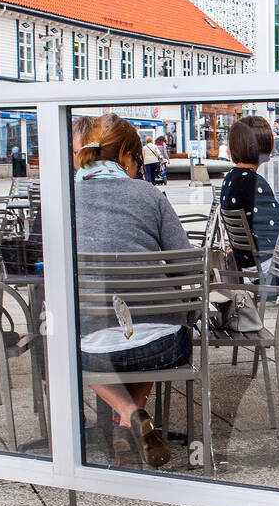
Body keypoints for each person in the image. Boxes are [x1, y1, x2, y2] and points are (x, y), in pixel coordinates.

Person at [74, 113, 193, 470]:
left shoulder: (64, 197)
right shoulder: (149, 194)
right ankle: (130, 419)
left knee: (61, 345)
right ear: (128, 155)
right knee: (151, 329)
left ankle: (126, 413)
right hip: (162, 346)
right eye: (139, 160)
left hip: (91, 349)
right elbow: (185, 265)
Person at [218, 115, 279, 269]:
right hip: (269, 266)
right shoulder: (254, 182)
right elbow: (277, 233)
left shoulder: (230, 178)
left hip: (247, 265)